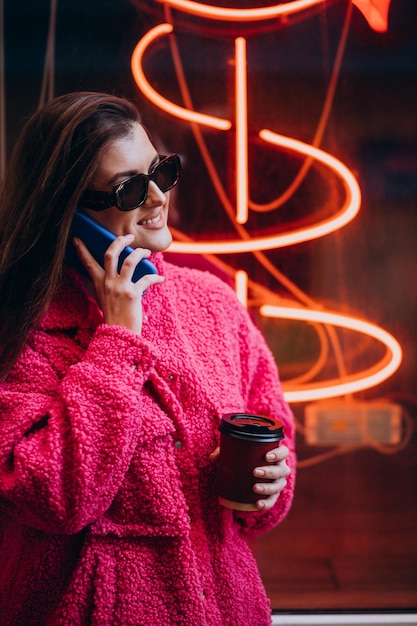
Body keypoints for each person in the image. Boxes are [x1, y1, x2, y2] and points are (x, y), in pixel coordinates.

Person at [0, 91, 295, 626]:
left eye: (161, 170)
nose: (158, 197)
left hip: (221, 607)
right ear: (67, 212)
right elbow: (56, 496)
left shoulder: (214, 302)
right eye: (130, 188)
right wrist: (117, 336)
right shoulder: (19, 328)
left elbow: (274, 437)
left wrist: (270, 484)